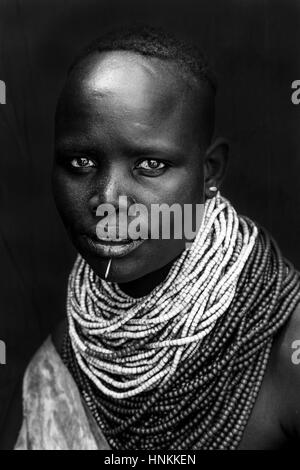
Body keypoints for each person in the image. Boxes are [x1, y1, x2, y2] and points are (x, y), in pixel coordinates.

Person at [11, 25, 300, 450]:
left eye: (149, 164)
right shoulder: (57, 366)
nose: (107, 200)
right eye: (81, 160)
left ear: (210, 171)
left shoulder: (285, 349)